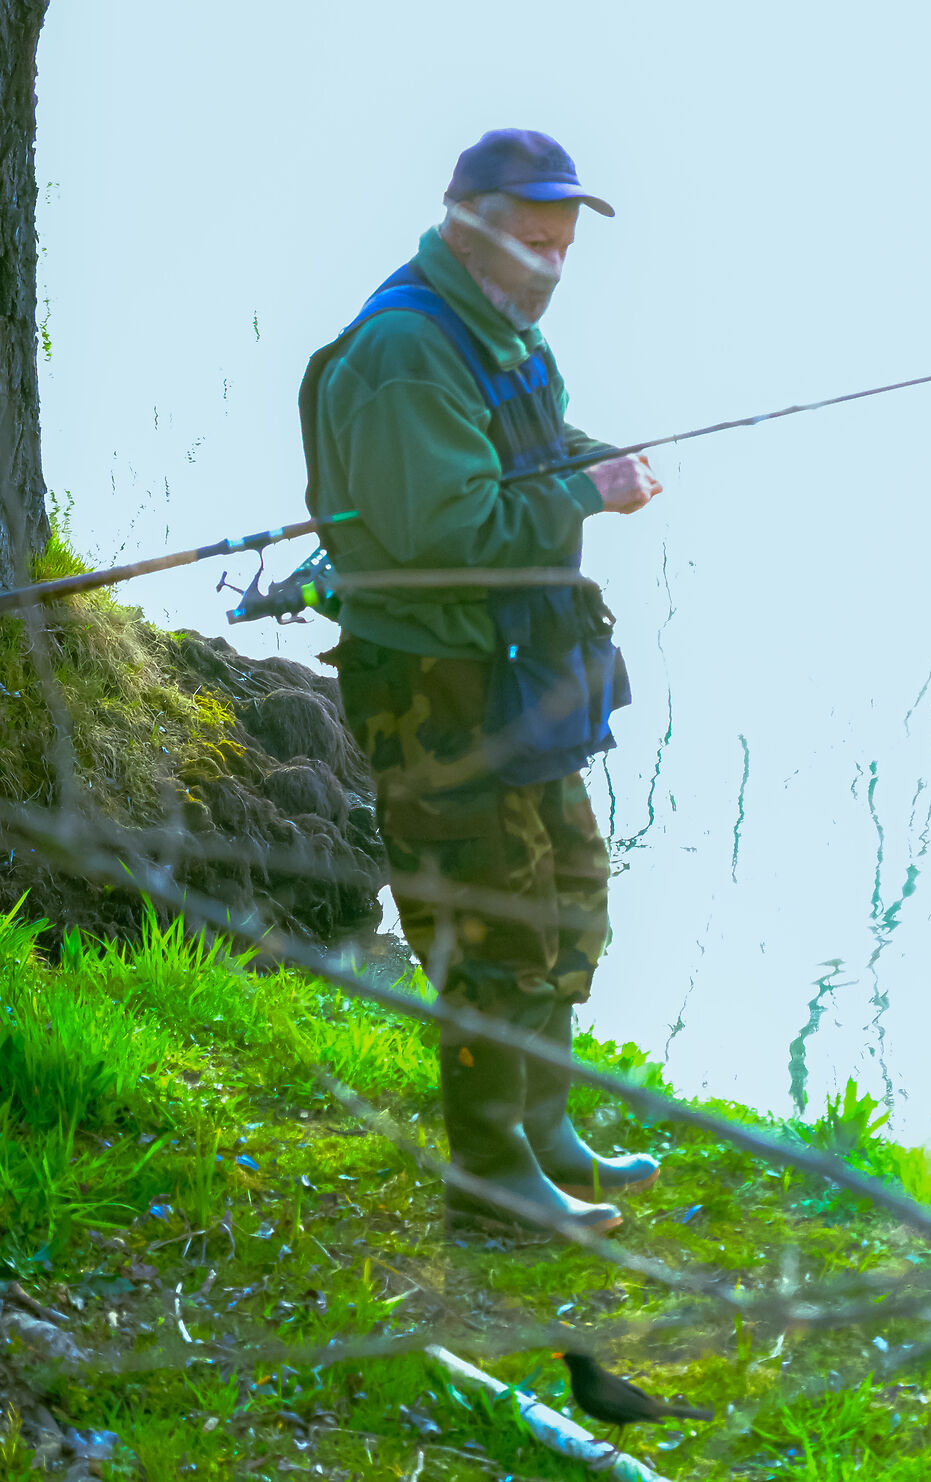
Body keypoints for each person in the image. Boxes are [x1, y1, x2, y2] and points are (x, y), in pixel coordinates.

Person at [301, 129, 665, 1238]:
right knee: (488, 932)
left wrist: (596, 459)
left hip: (519, 675)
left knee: (565, 902)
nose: (553, 265)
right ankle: (490, 1181)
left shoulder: (503, 333)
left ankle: (543, 1131)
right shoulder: (407, 350)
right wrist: (585, 498)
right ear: (468, 226)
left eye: (564, 245)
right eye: (534, 241)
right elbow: (448, 532)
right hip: (440, 686)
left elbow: (533, 444)